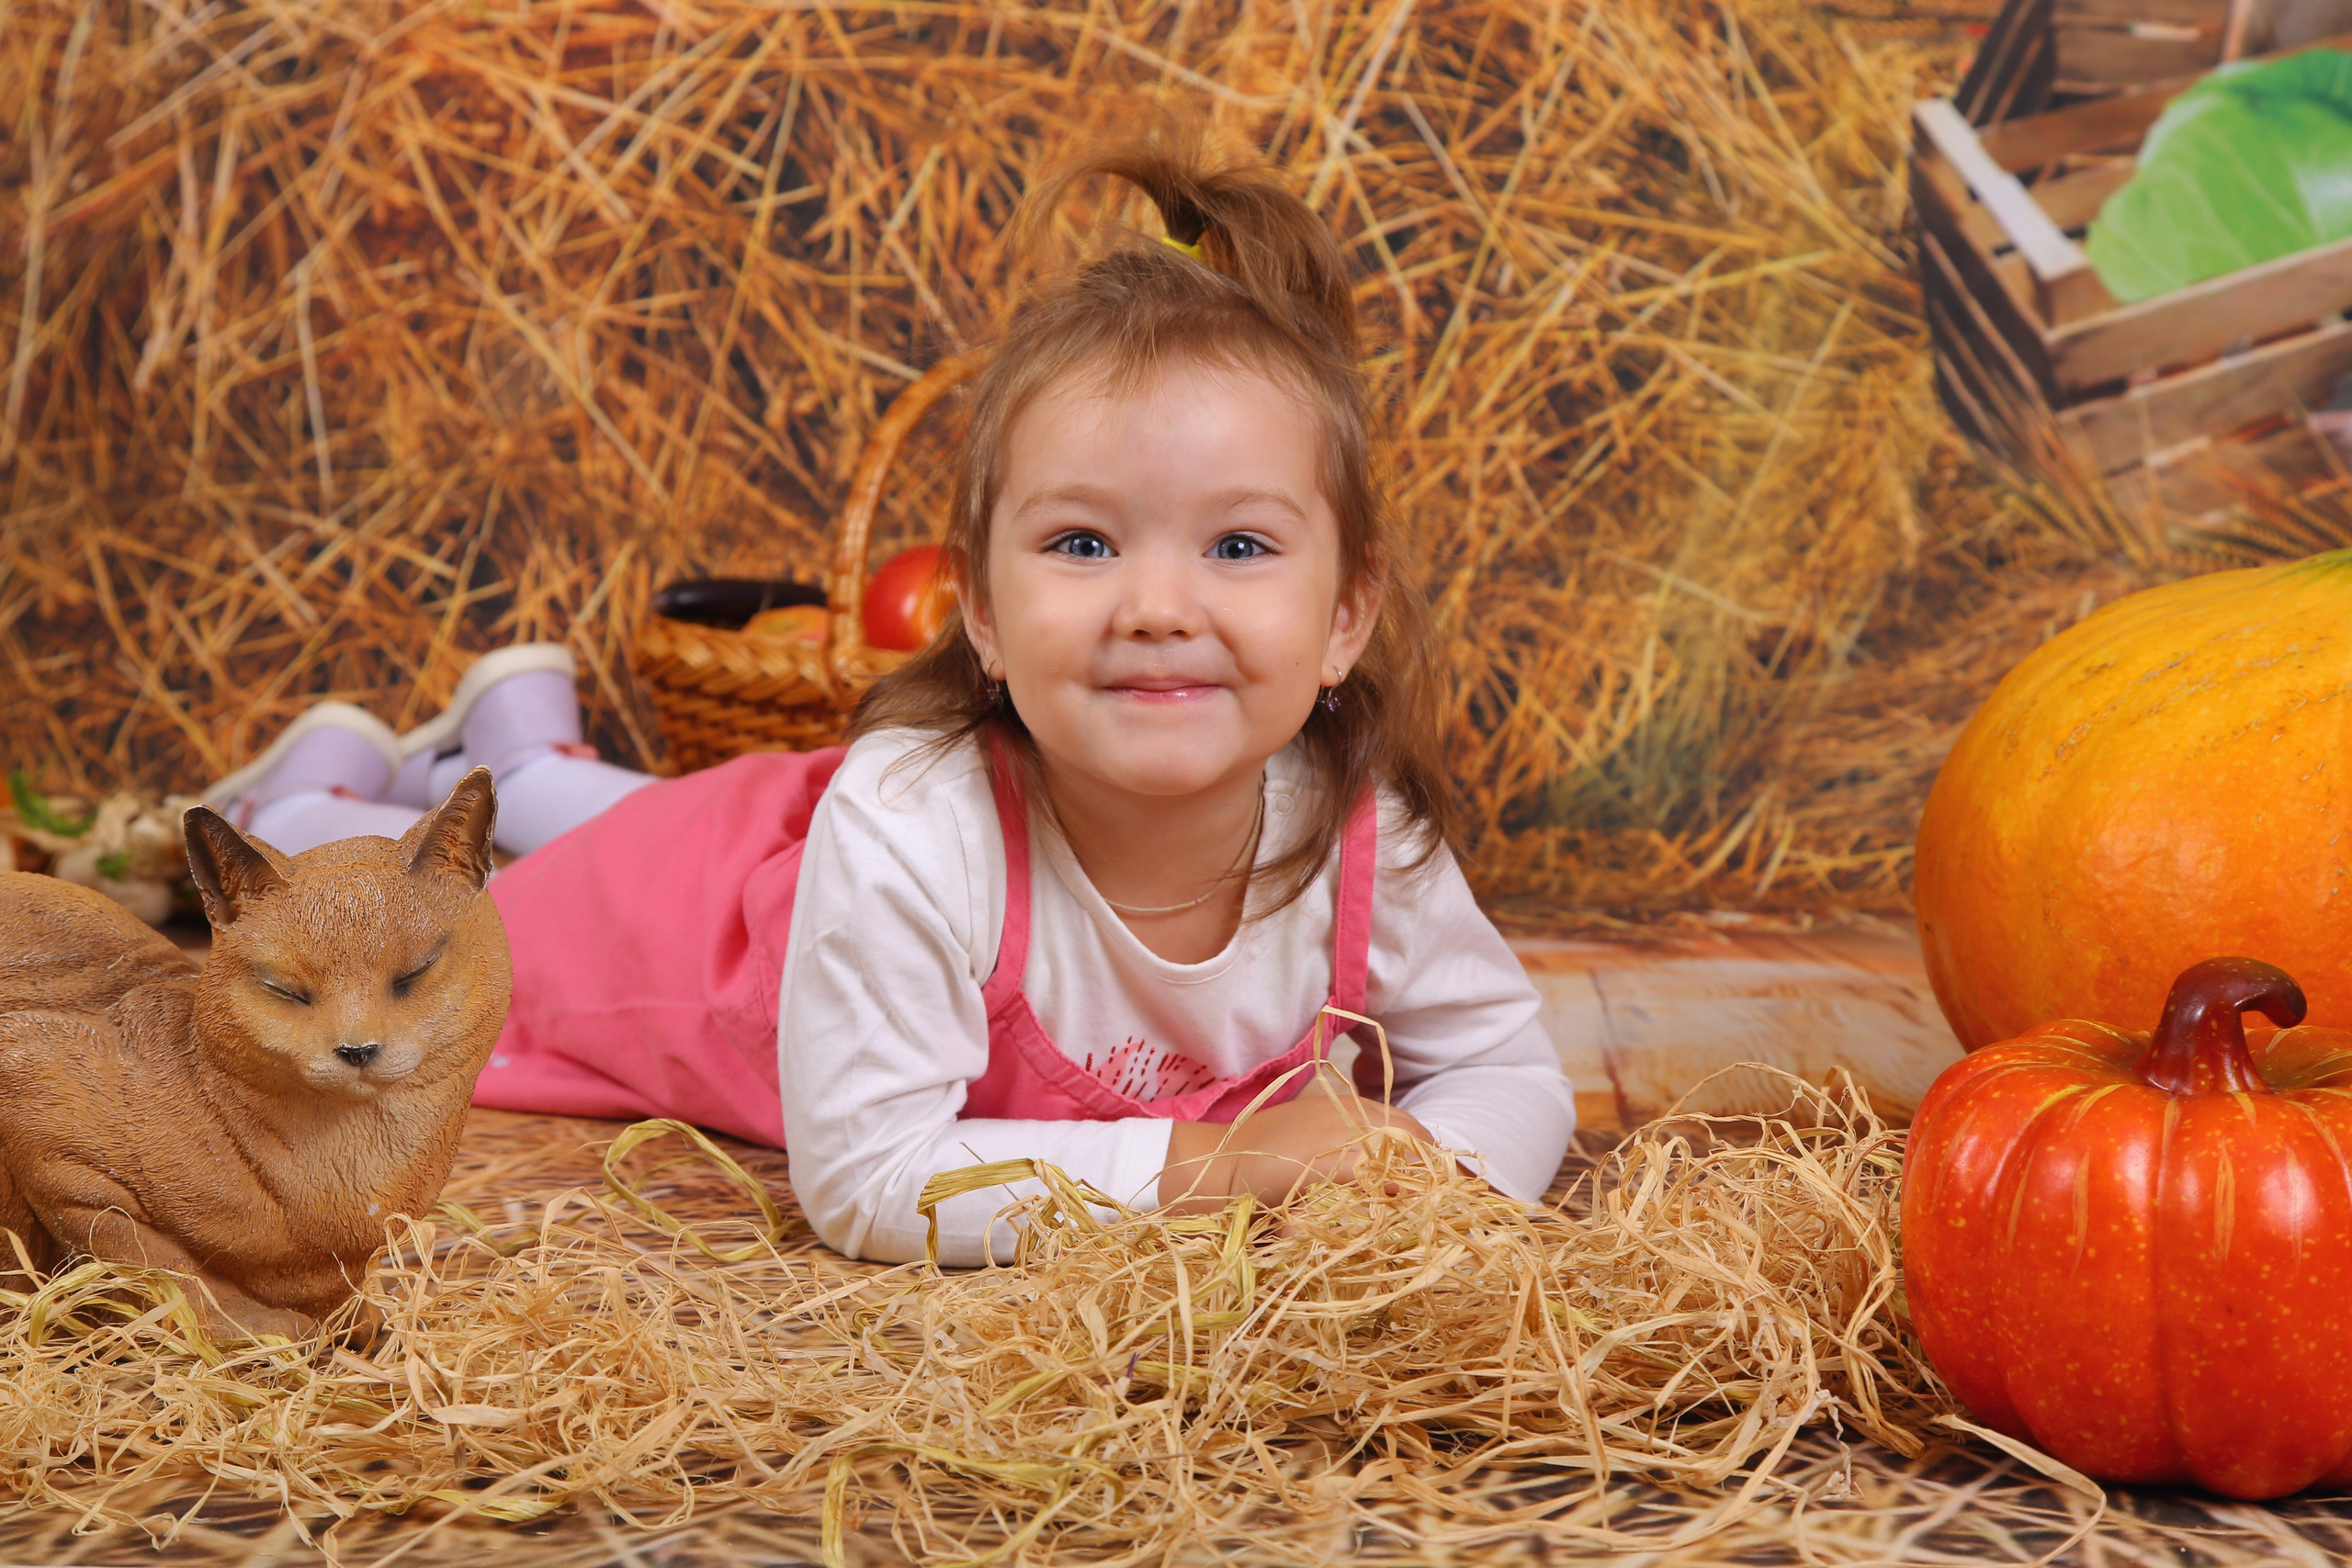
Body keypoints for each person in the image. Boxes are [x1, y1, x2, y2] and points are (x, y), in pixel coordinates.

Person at [205, 135, 1577, 1265]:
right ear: (979, 611)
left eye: (1239, 546)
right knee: (464, 923)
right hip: (693, 937)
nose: (1158, 606)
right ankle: (309, 801)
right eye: (1083, 543)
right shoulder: (915, 823)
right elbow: (870, 1180)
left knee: (639, 815)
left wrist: (1433, 1187)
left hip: (800, 843)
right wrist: (1237, 1167)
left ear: (1344, 617)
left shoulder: (1362, 834)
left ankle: (520, 753)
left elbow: (1508, 1069)